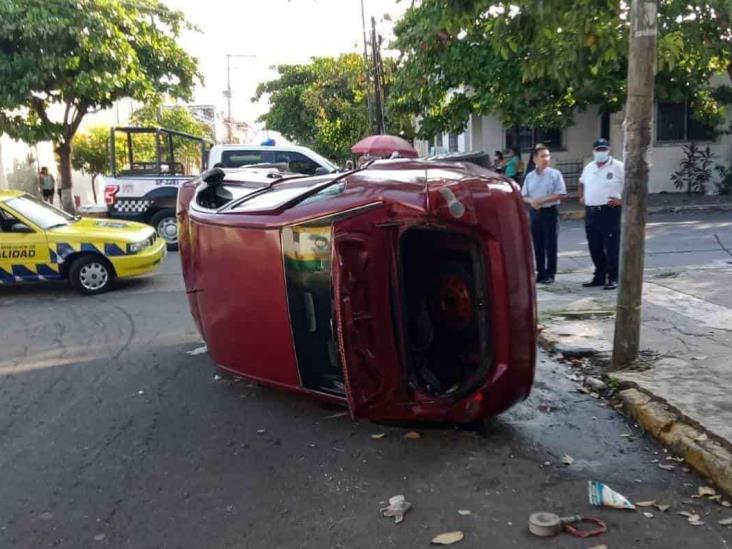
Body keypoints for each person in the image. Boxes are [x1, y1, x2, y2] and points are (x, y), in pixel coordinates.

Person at [578, 138, 624, 290]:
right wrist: (582, 196)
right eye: (598, 150)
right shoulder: (589, 167)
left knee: (611, 246)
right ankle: (599, 275)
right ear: (593, 151)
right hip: (591, 211)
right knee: (594, 246)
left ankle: (612, 277)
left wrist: (621, 200)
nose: (601, 152)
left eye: (604, 149)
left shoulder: (618, 167)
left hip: (609, 210)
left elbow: (632, 185)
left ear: (609, 150)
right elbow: (581, 182)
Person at [521, 145, 567, 284]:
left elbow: (561, 194)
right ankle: (540, 272)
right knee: (537, 243)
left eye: (547, 156)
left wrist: (543, 199)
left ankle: (550, 273)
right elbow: (523, 195)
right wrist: (532, 201)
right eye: (542, 156)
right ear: (535, 159)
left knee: (550, 244)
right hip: (535, 212)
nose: (545, 159)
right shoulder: (529, 176)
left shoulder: (555, 174)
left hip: (550, 211)